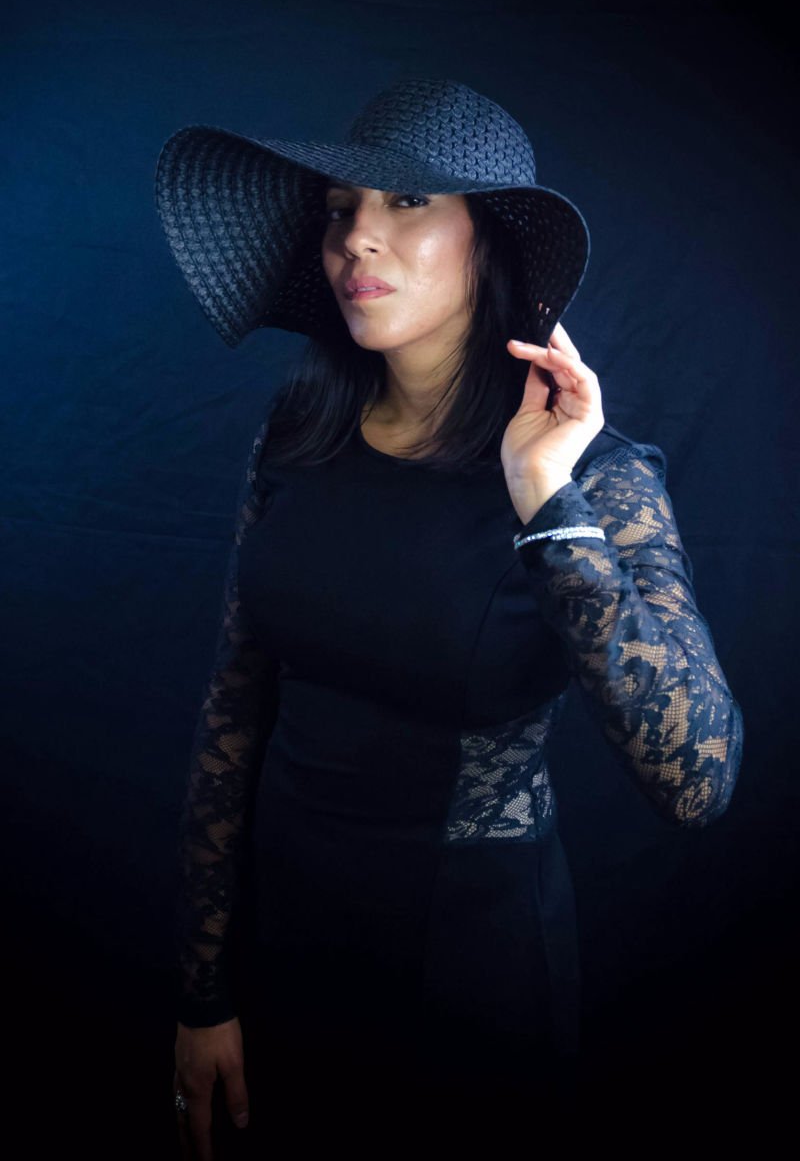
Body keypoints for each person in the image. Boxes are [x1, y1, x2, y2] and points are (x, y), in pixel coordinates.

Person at [155, 77, 744, 1157]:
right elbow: (235, 711)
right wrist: (203, 990)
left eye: (407, 202)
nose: (356, 237)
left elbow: (696, 780)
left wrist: (543, 499)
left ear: (490, 242)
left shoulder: (598, 479)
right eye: (339, 209)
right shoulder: (297, 433)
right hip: (287, 947)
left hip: (471, 975)